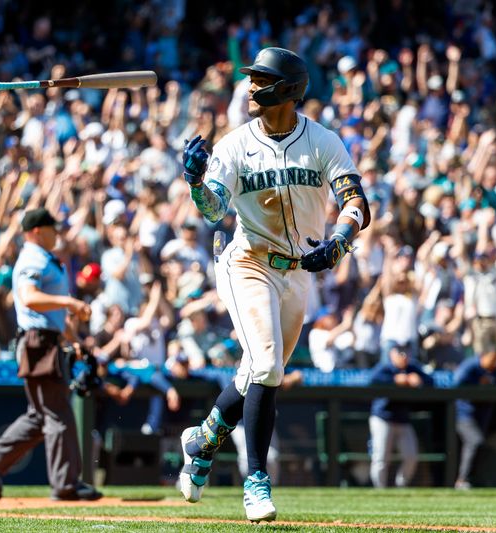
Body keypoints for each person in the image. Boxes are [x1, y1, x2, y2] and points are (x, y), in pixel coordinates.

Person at [177, 48, 370, 522]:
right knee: (266, 364)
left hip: (298, 270)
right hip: (246, 260)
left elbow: (356, 201)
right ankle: (256, 480)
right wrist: (197, 181)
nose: (250, 87)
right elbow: (212, 208)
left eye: (260, 80)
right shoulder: (234, 143)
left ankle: (202, 440)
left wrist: (340, 242)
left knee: (257, 375)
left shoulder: (322, 141)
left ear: (287, 90)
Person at [0, 208, 102, 501]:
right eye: (53, 228)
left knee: (41, 416)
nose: (58, 233)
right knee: (57, 413)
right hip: (38, 342)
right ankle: (65, 485)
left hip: (46, 339)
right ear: (37, 231)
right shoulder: (31, 257)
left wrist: (74, 340)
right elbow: (28, 297)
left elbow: (51, 313)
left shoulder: (44, 258)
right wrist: (71, 303)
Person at [367, 341, 434, 488]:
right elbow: (371, 380)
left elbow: (430, 381)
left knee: (411, 456)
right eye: (400, 353)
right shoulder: (385, 368)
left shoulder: (412, 368)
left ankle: (400, 486)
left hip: (402, 419)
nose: (403, 356)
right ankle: (380, 490)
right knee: (381, 457)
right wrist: (394, 380)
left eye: (406, 353)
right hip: (382, 418)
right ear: (392, 354)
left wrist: (419, 380)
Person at [452, 350, 496, 489]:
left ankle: (471, 479)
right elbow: (455, 383)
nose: (495, 362)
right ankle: (462, 480)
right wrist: (477, 383)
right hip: (464, 414)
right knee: (475, 441)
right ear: (483, 356)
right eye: (493, 358)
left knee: (480, 445)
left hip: (484, 417)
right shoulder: (470, 366)